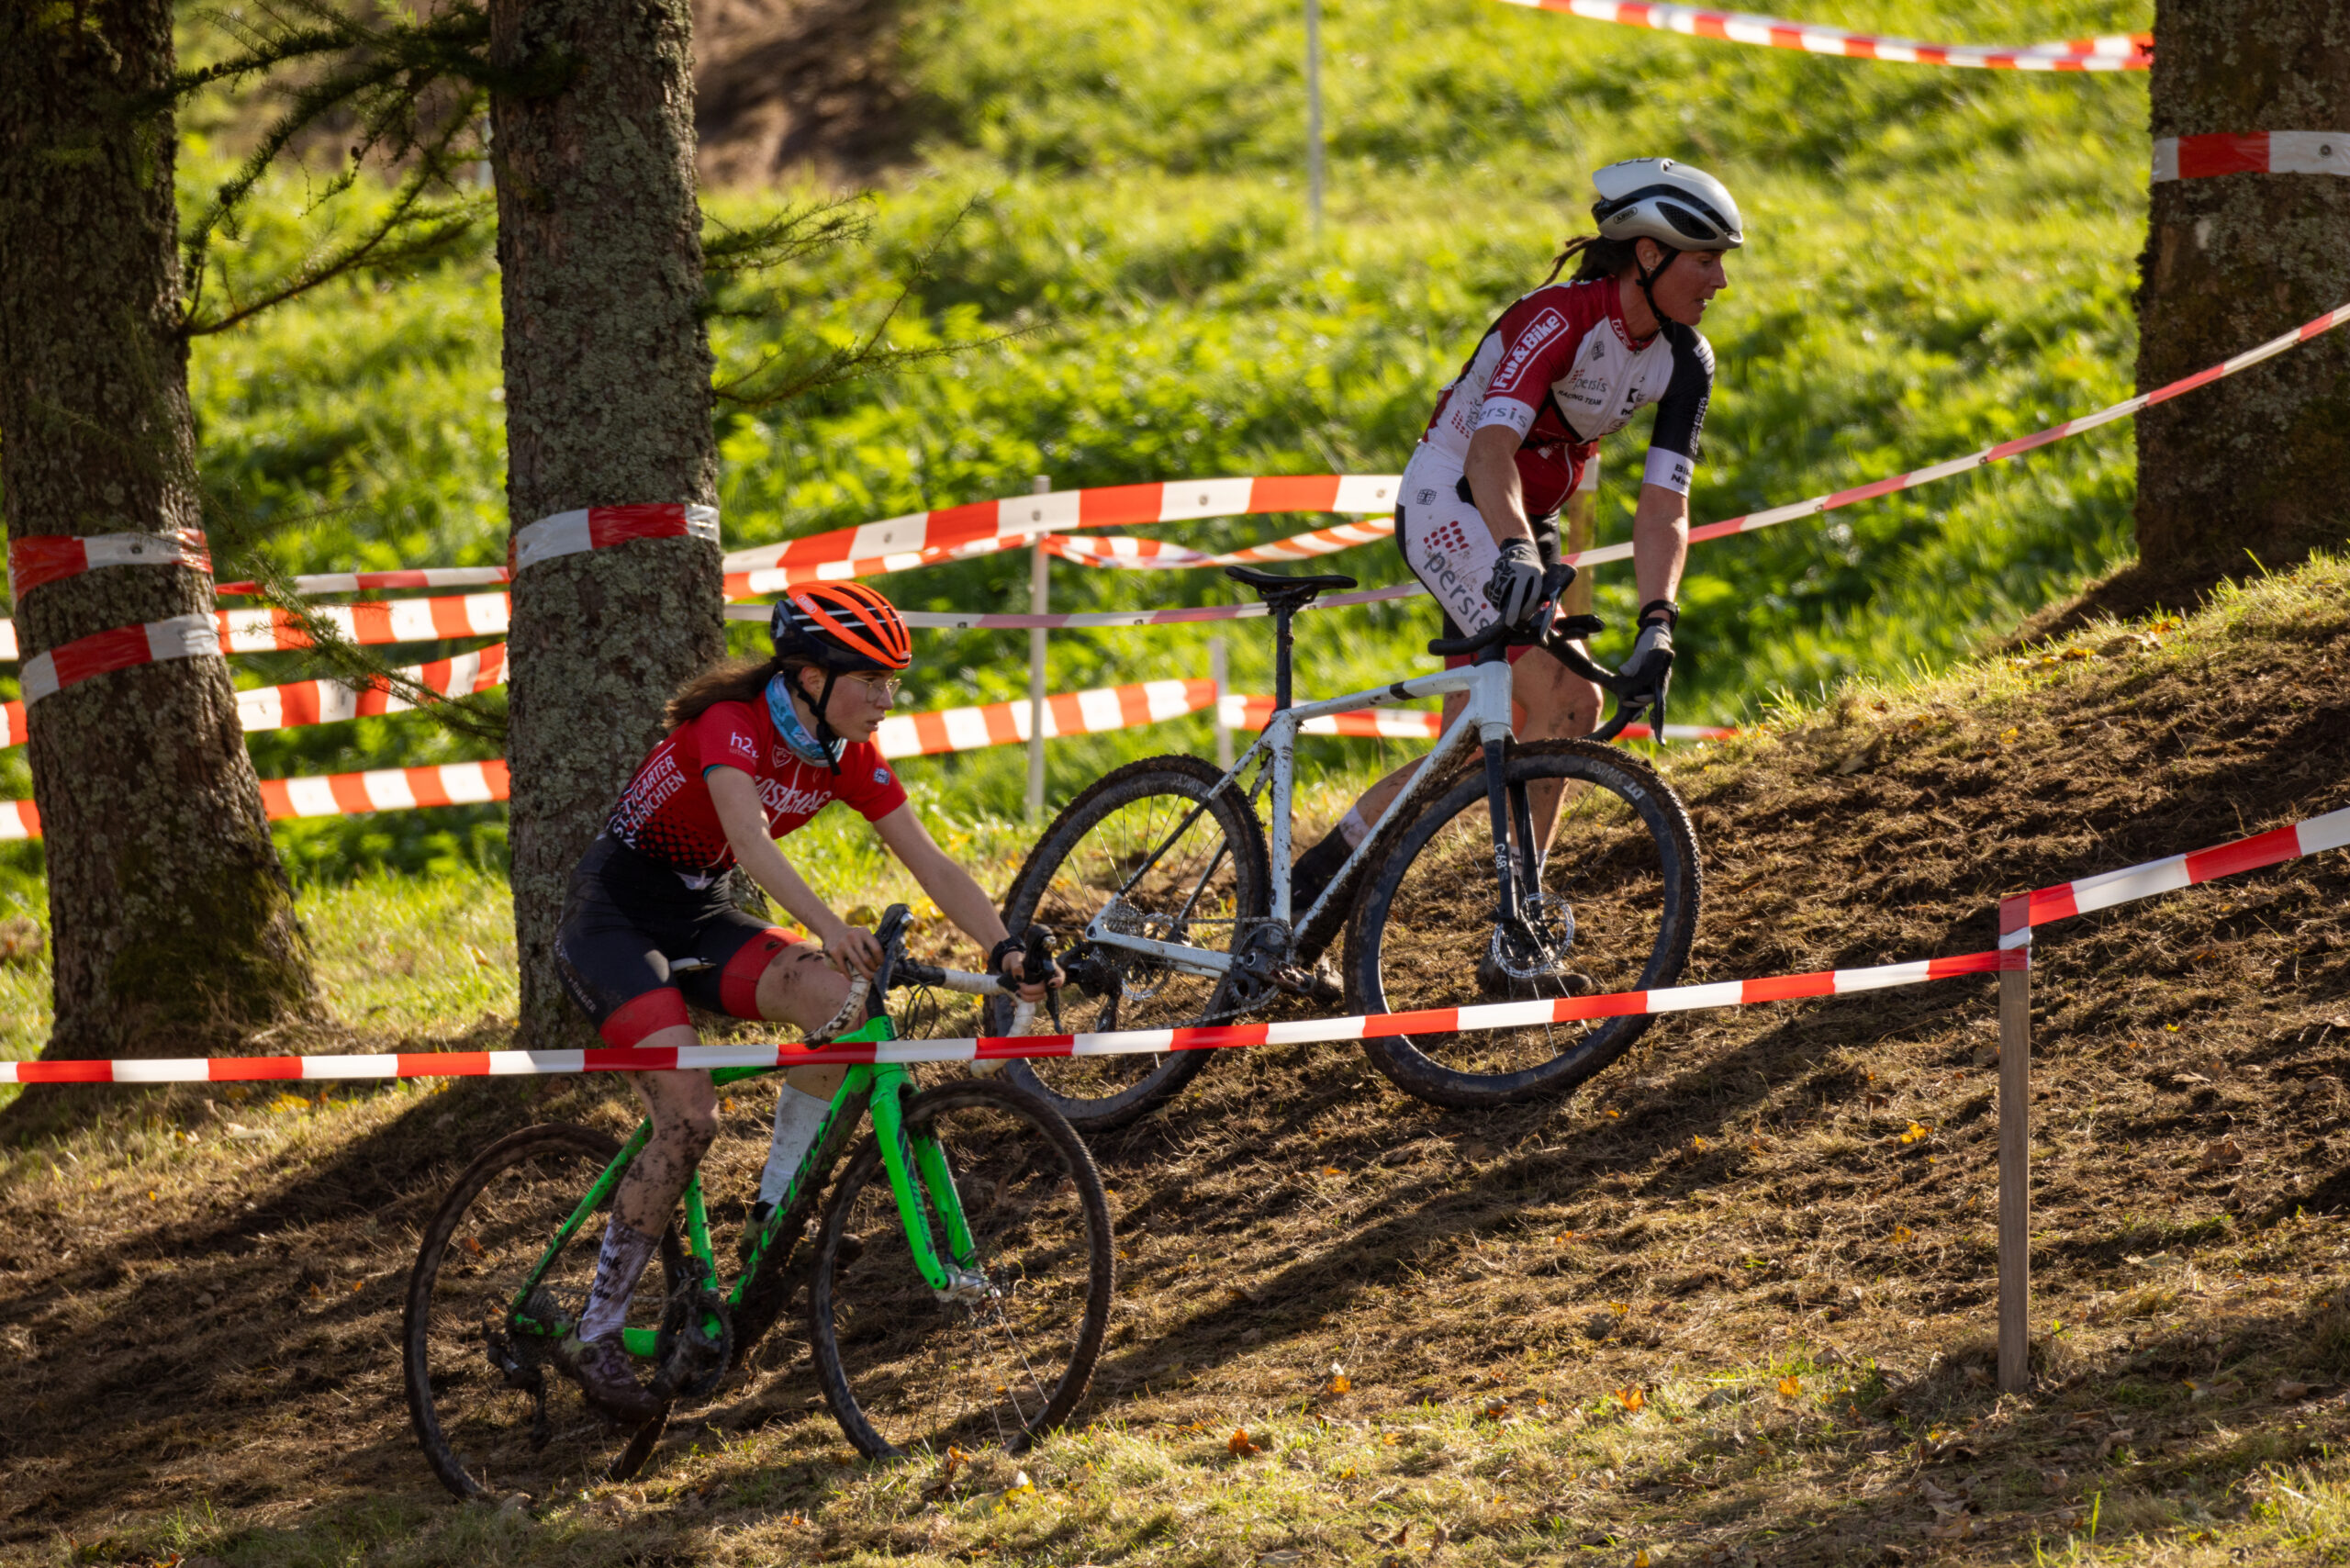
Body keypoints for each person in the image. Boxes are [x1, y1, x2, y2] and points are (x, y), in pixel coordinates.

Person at [550, 580, 1056, 1420]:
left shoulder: (845, 752)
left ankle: (772, 1215)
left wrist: (1001, 945)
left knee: (845, 1006)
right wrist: (826, 923)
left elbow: (932, 862)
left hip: (700, 914)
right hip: (613, 920)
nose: (887, 699)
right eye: (871, 680)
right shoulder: (731, 727)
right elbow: (748, 841)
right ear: (811, 676)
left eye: (896, 681)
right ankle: (595, 1329)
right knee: (689, 1114)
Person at [1288, 157, 1742, 947]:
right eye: (1705, 260)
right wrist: (1514, 553)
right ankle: (1520, 927)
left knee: (1469, 746)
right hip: (1455, 496)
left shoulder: (1685, 360)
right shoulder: (1558, 318)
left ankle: (1313, 886)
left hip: (1529, 518)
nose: (1719, 282)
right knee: (1568, 701)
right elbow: (1489, 452)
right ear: (1649, 253)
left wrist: (1657, 620)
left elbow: (1665, 504)